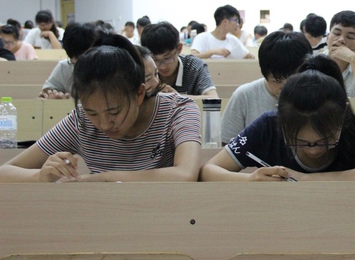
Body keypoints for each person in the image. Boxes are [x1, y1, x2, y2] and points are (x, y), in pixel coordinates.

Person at [0, 34, 203, 183]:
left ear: (139, 93)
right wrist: (42, 175)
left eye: (114, 112)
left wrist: (104, 179)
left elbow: (185, 175)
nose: (104, 124)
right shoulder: (80, 121)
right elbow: (5, 172)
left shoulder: (178, 110)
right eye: (92, 113)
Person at [200, 56, 355, 181]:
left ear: (343, 116)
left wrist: (307, 179)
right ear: (281, 117)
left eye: (325, 140)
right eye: (300, 142)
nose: (314, 150)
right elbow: (209, 170)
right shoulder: (267, 126)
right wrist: (250, 179)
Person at [221, 31, 312, 144]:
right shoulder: (244, 95)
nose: (285, 87)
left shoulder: (317, 95)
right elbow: (226, 144)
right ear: (265, 74)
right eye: (277, 81)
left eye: (293, 80)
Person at [141, 21, 217, 97]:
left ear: (179, 48)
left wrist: (176, 98)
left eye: (167, 58)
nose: (162, 66)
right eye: (155, 60)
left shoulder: (194, 67)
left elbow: (213, 98)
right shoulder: (143, 68)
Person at [39, 22, 98, 99]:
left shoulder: (107, 67)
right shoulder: (64, 66)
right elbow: (46, 91)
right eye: (75, 63)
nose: (80, 67)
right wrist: (53, 96)